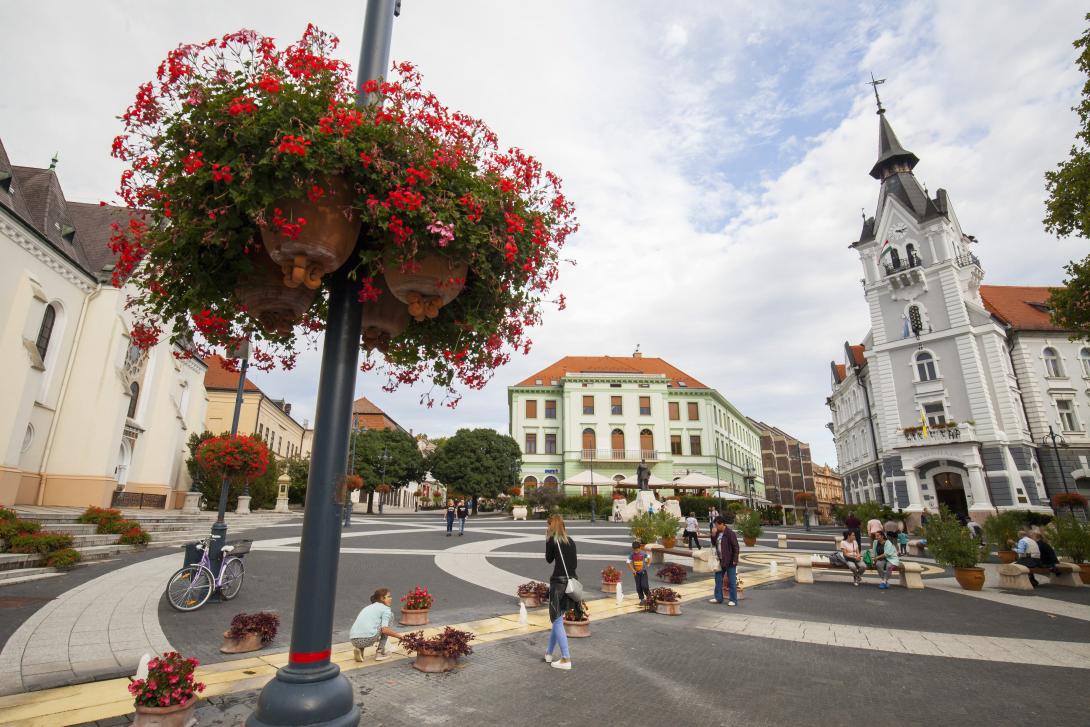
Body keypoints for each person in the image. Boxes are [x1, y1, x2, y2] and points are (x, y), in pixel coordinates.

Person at [544, 514, 578, 670]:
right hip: (571, 583)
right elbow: (575, 564)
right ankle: (549, 653)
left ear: (551, 527)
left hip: (558, 583)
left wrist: (548, 540)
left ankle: (566, 658)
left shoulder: (553, 540)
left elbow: (548, 559)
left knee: (556, 620)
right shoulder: (571, 541)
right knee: (557, 619)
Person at [350, 588, 405, 662]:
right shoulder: (385, 609)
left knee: (369, 626)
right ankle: (380, 652)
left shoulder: (368, 607)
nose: (391, 598)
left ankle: (360, 649)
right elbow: (385, 630)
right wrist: (400, 637)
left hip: (354, 640)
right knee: (390, 617)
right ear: (382, 598)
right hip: (367, 639)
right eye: (389, 596)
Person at [708, 514, 739, 606]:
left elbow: (736, 547)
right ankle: (718, 598)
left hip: (730, 561)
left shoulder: (730, 533)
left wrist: (735, 559)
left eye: (717, 525)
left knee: (732, 581)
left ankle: (733, 600)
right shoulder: (718, 533)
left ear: (722, 524)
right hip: (720, 561)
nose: (716, 527)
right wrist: (713, 535)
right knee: (718, 579)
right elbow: (714, 544)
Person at [627, 540, 651, 605]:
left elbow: (649, 557)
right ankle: (642, 599)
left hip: (643, 572)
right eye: (634, 550)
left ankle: (649, 596)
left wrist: (648, 564)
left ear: (640, 548)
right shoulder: (632, 555)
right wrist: (632, 570)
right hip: (636, 573)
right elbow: (628, 562)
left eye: (637, 550)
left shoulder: (643, 553)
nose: (636, 551)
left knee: (644, 585)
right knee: (638, 587)